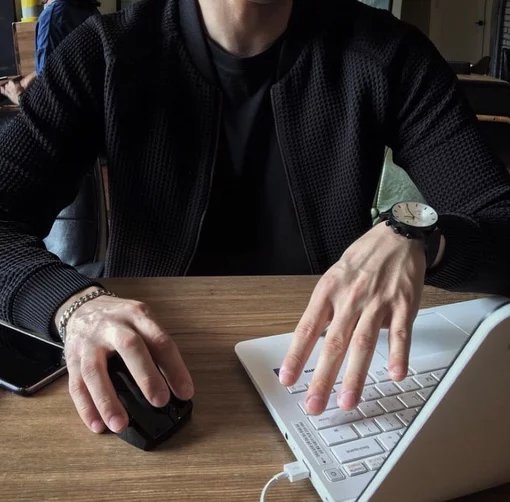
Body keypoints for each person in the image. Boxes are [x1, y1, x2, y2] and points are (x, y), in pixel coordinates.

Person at [0, 0, 509, 436]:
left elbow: (499, 217)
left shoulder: (388, 54)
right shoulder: (104, 52)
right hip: (153, 370)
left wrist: (420, 236)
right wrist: (75, 306)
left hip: (333, 375)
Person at [0, 0, 100, 105]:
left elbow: (48, 98)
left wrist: (19, 97)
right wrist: (26, 82)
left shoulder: (52, 17)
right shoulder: (89, 9)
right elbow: (67, 64)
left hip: (71, 110)